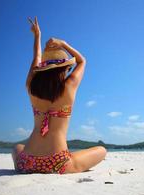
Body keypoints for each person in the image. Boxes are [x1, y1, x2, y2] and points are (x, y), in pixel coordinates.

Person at [11, 17, 107, 174]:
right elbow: (82, 61)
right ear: (64, 69)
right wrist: (63, 44)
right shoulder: (69, 87)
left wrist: (37, 37)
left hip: (27, 162)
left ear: (42, 70)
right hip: (57, 163)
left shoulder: (31, 87)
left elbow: (36, 58)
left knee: (17, 147)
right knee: (102, 150)